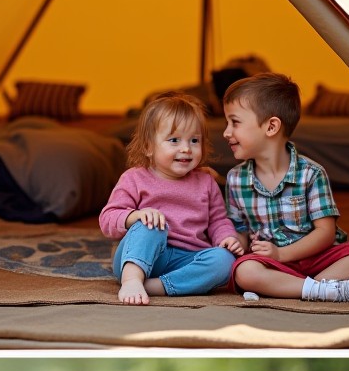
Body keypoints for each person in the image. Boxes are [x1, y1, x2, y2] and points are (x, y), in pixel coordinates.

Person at [223, 72, 349, 301]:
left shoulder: (311, 173)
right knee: (244, 271)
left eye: (234, 122)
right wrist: (235, 246)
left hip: (321, 257)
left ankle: (305, 288)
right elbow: (241, 232)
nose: (226, 132)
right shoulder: (235, 179)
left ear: (271, 126)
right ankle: (329, 290)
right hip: (273, 264)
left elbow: (325, 232)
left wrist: (281, 253)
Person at [99, 92, 243, 305]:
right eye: (174, 140)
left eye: (194, 140)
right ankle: (132, 280)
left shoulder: (206, 182)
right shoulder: (134, 178)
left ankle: (158, 286)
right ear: (148, 147)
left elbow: (218, 221)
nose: (186, 148)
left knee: (225, 261)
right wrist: (136, 216)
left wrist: (227, 238)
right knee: (152, 224)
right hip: (140, 257)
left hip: (186, 260)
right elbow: (108, 220)